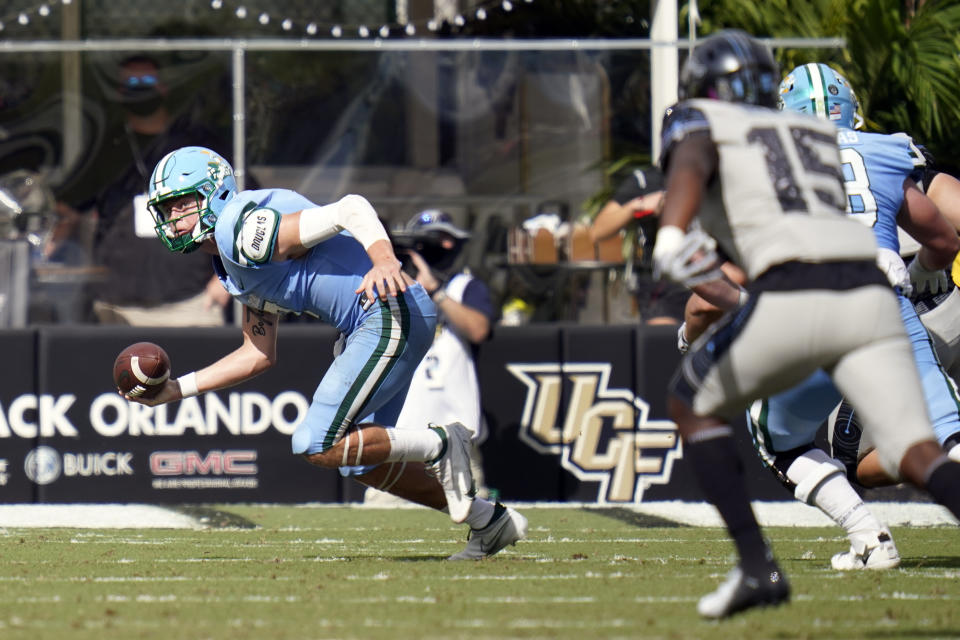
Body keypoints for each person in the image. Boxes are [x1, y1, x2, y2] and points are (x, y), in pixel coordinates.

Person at [652, 30, 960, 619]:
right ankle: (864, 538)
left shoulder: (713, 136)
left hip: (798, 303)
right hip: (878, 296)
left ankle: (761, 565)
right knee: (925, 453)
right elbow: (926, 232)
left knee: (699, 406)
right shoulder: (846, 144)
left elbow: (678, 253)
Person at [124, 146, 527, 560]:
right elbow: (256, 353)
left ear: (216, 193)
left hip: (386, 311)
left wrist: (385, 260)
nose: (174, 219)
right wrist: (177, 389)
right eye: (167, 209)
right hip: (375, 321)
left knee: (315, 441)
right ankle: (489, 522)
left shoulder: (242, 231)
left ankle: (440, 443)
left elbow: (350, 208)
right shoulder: (230, 258)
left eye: (182, 204)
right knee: (360, 462)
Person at [65, 54, 232, 326]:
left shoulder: (198, 144)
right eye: (131, 82)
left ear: (163, 87)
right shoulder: (105, 148)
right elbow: (66, 209)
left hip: (191, 302)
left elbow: (240, 206)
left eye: (146, 80)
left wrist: (225, 278)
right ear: (119, 92)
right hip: (116, 305)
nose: (139, 87)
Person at [392, 209, 497, 508]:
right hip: (400, 439)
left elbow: (478, 329)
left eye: (451, 242)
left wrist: (436, 292)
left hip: (455, 440)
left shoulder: (464, 287)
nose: (446, 249)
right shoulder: (392, 288)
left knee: (472, 521)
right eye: (437, 242)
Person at [589, 165, 690, 325]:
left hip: (713, 276)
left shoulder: (719, 175)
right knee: (665, 340)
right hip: (662, 283)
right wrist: (638, 205)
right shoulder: (645, 180)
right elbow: (598, 231)